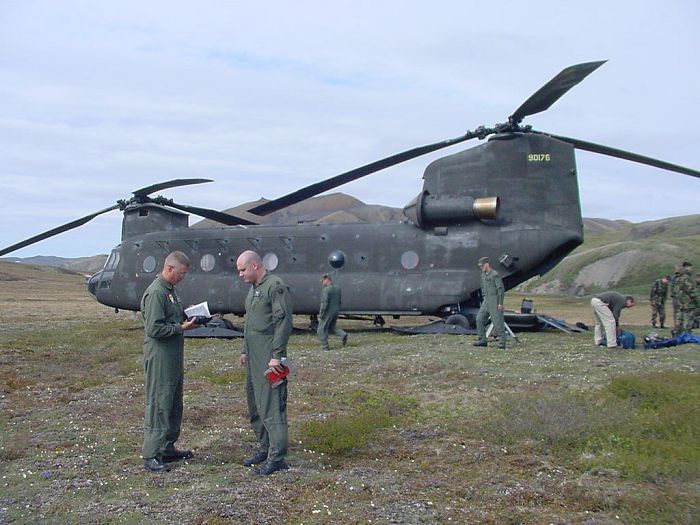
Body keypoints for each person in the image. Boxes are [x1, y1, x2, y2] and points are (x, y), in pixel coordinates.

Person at [236, 250, 293, 475]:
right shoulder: (254, 290)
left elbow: (283, 322)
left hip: (270, 357)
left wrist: (276, 355)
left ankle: (277, 457)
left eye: (243, 269)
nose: (240, 274)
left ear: (255, 266)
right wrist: (244, 350)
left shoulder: (275, 286)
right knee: (255, 403)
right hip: (254, 356)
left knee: (272, 405)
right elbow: (251, 323)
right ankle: (265, 446)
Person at [141, 251, 198, 472]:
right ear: (170, 269)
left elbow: (172, 317)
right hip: (160, 357)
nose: (183, 278)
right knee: (159, 403)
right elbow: (154, 328)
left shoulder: (170, 292)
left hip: (173, 355)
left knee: (173, 401)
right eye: (181, 274)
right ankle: (152, 453)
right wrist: (181, 328)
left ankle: (167, 447)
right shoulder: (156, 293)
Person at [473, 256, 506, 349]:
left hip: (494, 300)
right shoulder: (483, 275)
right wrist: (484, 298)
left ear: (487, 264)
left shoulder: (495, 274)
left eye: (482, 265)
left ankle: (502, 342)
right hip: (486, 300)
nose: (481, 267)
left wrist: (500, 303)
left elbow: (501, 289)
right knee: (479, 319)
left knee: (497, 321)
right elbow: (483, 288)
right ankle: (482, 339)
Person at [317, 274, 348, 351]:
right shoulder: (338, 288)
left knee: (321, 329)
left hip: (327, 311)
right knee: (332, 327)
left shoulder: (326, 290)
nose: (322, 283)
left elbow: (324, 303)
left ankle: (325, 346)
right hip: (336, 310)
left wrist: (321, 314)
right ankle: (342, 334)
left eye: (323, 281)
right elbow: (339, 301)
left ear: (327, 279)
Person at [675, 261, 700, 335]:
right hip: (687, 304)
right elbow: (692, 292)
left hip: (680, 303)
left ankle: (677, 334)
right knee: (687, 320)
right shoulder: (686, 278)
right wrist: (698, 302)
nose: (691, 270)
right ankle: (686, 334)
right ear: (687, 268)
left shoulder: (678, 277)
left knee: (679, 319)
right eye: (691, 268)